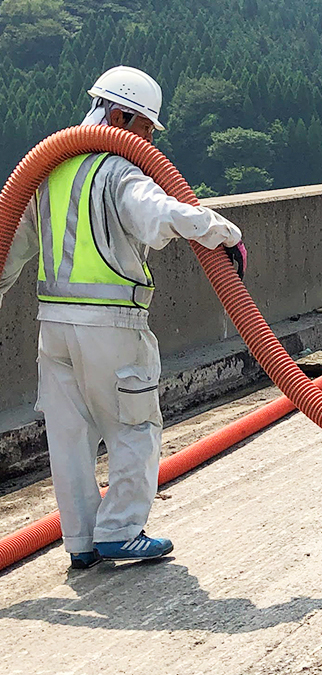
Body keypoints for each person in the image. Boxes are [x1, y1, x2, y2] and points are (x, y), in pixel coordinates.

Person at [0, 66, 246, 568]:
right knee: (135, 428)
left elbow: (10, 250)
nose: (148, 141)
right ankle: (121, 530)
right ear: (119, 115)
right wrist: (224, 233)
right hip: (112, 327)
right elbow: (161, 213)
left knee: (69, 438)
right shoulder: (118, 172)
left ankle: (82, 543)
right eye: (147, 129)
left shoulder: (47, 172)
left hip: (54, 329)